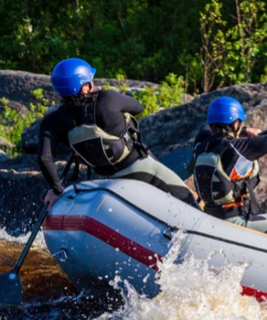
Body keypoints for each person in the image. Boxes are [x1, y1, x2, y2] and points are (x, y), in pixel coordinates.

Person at [38, 58, 197, 208]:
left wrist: (57, 189)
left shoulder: (52, 122)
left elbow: (44, 158)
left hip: (106, 181)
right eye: (90, 80)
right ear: (85, 86)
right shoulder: (106, 99)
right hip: (141, 169)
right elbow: (138, 107)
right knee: (186, 197)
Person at [191, 96, 267, 246]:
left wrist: (244, 131)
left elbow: (205, 128)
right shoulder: (240, 149)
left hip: (214, 218)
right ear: (235, 124)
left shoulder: (201, 145)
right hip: (236, 223)